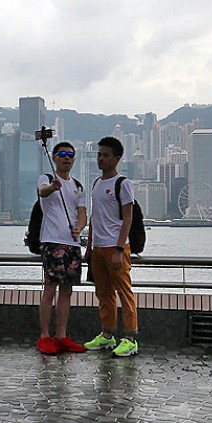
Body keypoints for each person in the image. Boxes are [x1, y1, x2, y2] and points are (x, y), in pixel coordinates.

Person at [84, 136, 139, 357]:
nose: (100, 159)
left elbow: (128, 219)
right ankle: (107, 335)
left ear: (117, 158)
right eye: (99, 154)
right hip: (98, 248)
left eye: (105, 155)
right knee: (103, 293)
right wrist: (89, 246)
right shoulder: (97, 184)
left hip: (117, 248)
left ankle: (131, 338)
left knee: (124, 292)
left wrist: (119, 249)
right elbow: (94, 217)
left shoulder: (123, 184)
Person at [36, 141, 88, 355]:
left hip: (72, 244)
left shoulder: (78, 185)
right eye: (62, 154)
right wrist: (53, 187)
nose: (67, 158)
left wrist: (79, 227)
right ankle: (44, 336)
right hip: (52, 241)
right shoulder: (47, 178)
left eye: (70, 155)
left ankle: (62, 335)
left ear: (74, 160)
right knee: (50, 289)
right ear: (55, 157)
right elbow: (43, 192)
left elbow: (82, 214)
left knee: (67, 291)